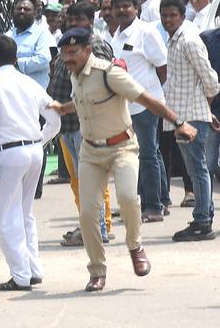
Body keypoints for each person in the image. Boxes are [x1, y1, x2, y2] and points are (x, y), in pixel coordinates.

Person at [54, 28, 196, 292]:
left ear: (87, 51)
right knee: (87, 214)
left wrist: (178, 122)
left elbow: (147, 99)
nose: (68, 58)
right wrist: (65, 108)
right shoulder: (75, 75)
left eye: (73, 53)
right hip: (90, 152)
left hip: (121, 147)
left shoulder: (110, 74)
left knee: (129, 198)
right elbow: (85, 100)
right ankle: (97, 270)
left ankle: (135, 246)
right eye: (65, 53)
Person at [0, 36, 61, 290]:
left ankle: (21, 275)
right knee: (25, 213)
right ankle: (33, 269)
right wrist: (38, 140)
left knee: (7, 216)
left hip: (8, 152)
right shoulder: (29, 82)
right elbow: (54, 120)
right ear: (16, 59)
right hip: (34, 151)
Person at [46, 2, 114, 248]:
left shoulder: (95, 46)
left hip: (85, 123)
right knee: (81, 181)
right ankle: (89, 225)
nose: (70, 23)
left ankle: (98, 230)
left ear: (90, 20)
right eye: (69, 19)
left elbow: (100, 86)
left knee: (91, 180)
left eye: (77, 19)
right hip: (68, 123)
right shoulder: (68, 44)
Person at [160, 0, 220, 242]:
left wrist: (204, 110)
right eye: (164, 15)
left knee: (198, 170)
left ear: (182, 15)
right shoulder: (175, 39)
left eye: (172, 15)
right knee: (196, 170)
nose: (167, 20)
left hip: (191, 117)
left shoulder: (190, 40)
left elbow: (212, 81)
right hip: (182, 115)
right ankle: (204, 216)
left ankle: (202, 222)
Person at [109, 0, 170, 222]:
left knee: (146, 155)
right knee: (146, 154)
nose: (122, 10)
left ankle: (153, 207)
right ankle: (157, 200)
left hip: (145, 105)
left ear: (137, 8)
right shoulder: (116, 34)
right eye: (118, 7)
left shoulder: (146, 32)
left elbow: (162, 66)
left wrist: (151, 96)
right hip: (125, 106)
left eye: (127, 6)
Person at [7, 0, 53, 90]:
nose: (22, 11)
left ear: (35, 13)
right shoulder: (9, 34)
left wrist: (16, 62)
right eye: (19, 8)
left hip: (34, 95)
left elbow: (44, 60)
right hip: (11, 92)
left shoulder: (42, 34)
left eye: (27, 9)